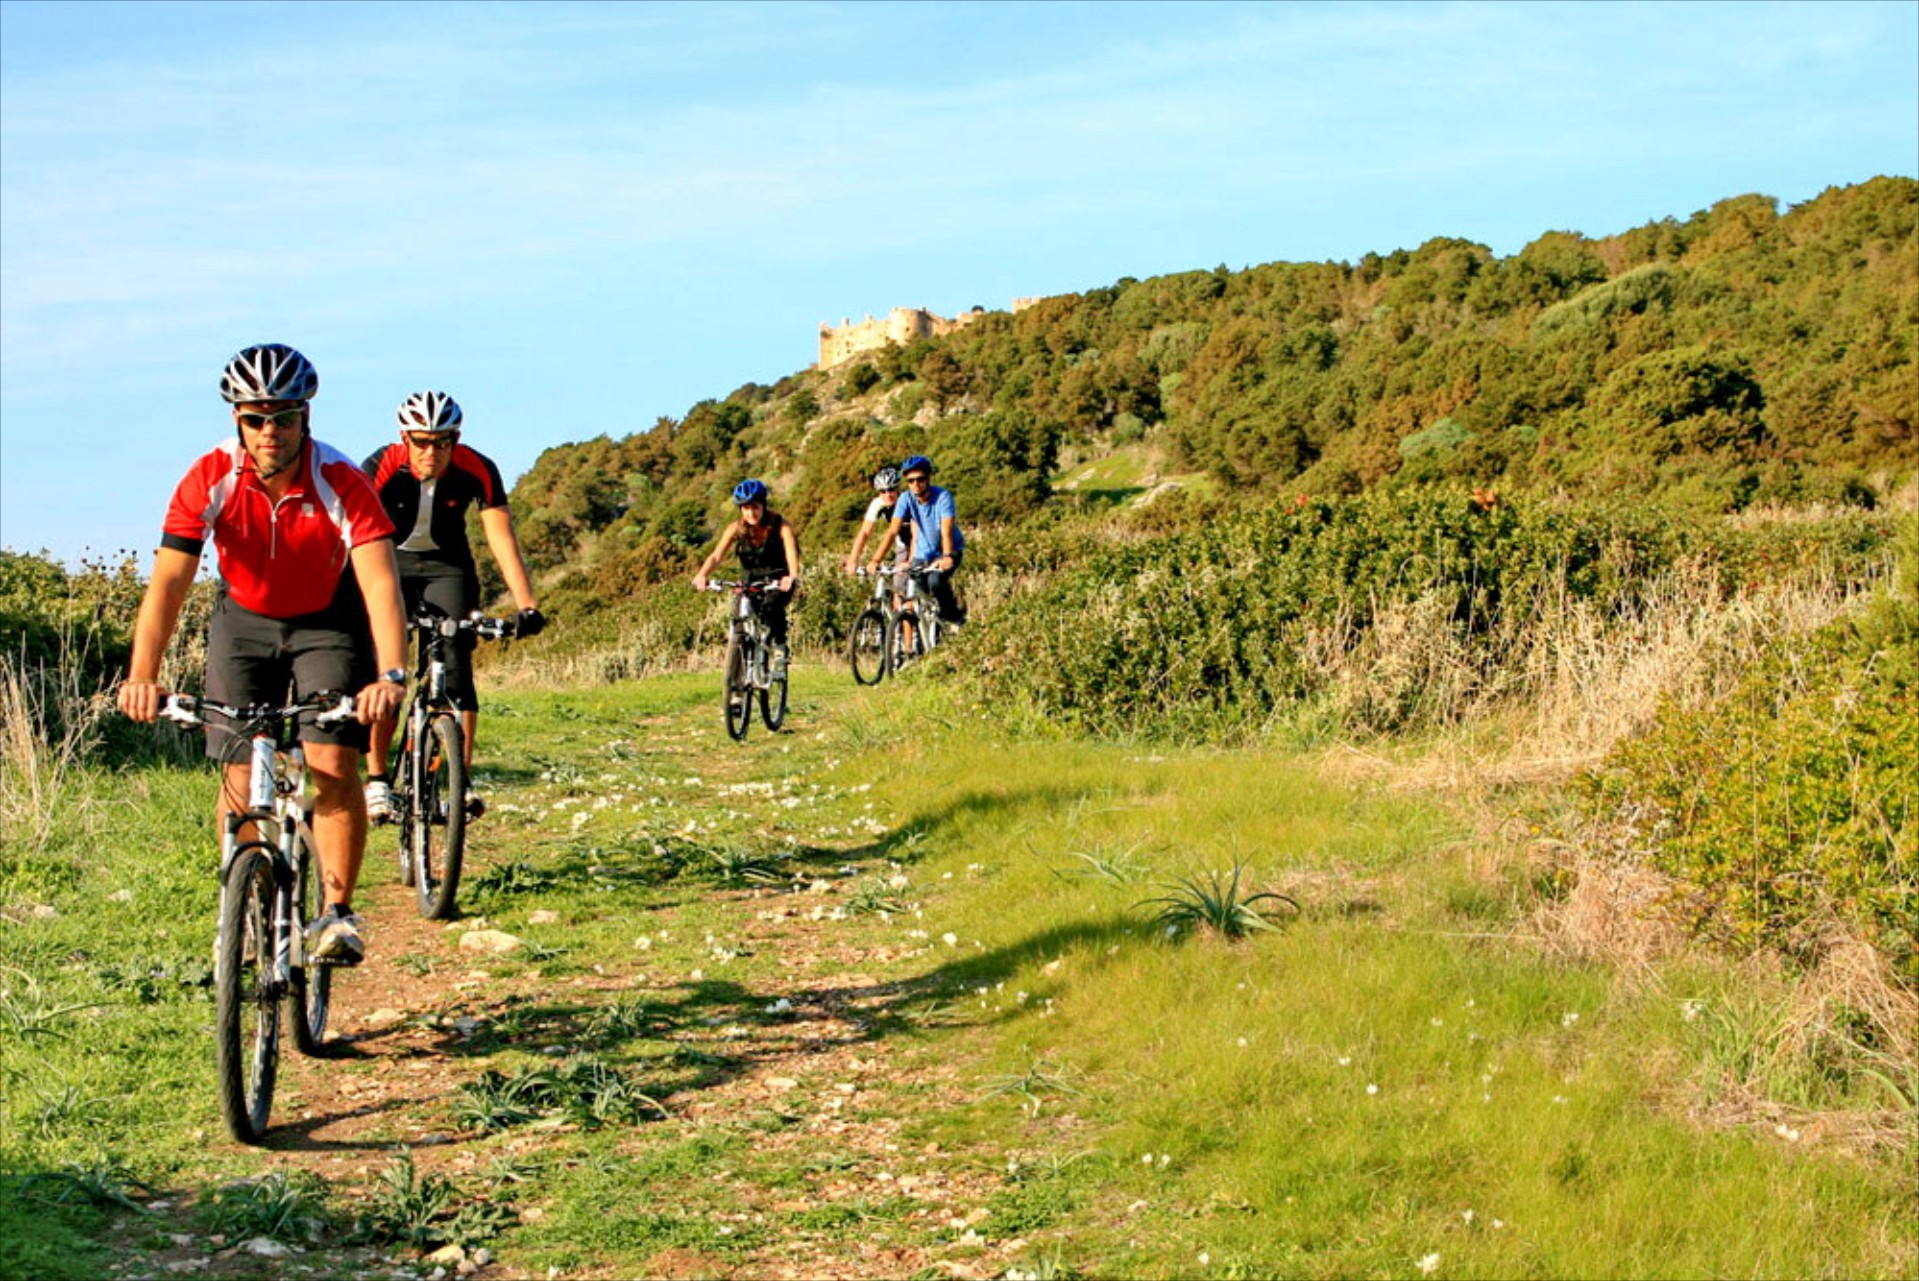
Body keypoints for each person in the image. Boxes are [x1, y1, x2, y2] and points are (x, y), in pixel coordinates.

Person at [116, 343, 408, 965]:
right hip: (243, 622)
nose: (270, 432)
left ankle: (336, 913)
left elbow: (380, 583)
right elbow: (169, 582)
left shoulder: (341, 479)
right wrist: (143, 674)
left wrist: (390, 673)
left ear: (306, 417)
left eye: (284, 417)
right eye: (255, 418)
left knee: (330, 760)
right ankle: (241, 905)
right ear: (236, 420)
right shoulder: (209, 477)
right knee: (242, 771)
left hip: (329, 621)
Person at [360, 391, 544, 821]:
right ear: (405, 437)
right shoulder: (380, 466)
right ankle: (377, 781)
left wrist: (527, 605)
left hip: (448, 566)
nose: (432, 452)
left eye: (443, 442)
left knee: (457, 668)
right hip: (392, 563)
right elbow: (356, 531)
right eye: (422, 441)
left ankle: (460, 779)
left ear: (455, 439)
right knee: (389, 671)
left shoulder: (477, 468)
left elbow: (501, 538)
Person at [692, 479, 802, 678]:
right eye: (746, 508)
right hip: (750, 581)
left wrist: (792, 576)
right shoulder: (736, 528)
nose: (751, 513)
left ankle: (779, 647)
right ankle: (736, 689)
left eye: (755, 507)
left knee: (770, 608)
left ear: (763, 506)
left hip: (779, 579)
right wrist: (702, 575)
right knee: (739, 621)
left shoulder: (780, 525)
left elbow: (791, 552)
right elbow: (716, 556)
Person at [866, 454, 965, 625]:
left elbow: (946, 530)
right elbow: (892, 531)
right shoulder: (906, 499)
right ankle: (927, 629)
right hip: (923, 552)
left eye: (920, 479)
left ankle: (953, 616)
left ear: (928, 478)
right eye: (911, 481)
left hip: (948, 549)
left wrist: (947, 556)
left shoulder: (943, 497)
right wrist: (875, 560)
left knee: (935, 580)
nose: (916, 484)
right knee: (917, 588)